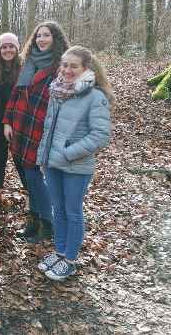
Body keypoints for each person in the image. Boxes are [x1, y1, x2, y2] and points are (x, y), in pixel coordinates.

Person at [36, 47, 113, 281]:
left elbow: (100, 135)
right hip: (52, 163)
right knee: (57, 209)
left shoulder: (95, 96)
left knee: (72, 211)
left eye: (74, 66)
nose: (68, 70)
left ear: (85, 69)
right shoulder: (56, 90)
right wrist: (45, 156)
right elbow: (48, 128)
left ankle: (70, 259)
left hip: (75, 166)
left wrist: (68, 153)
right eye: (65, 65)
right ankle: (59, 252)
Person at [3, 21, 69, 243]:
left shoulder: (61, 66)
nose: (41, 39)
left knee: (33, 175)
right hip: (20, 125)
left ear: (55, 39)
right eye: (38, 35)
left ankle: (46, 222)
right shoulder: (29, 63)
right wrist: (7, 121)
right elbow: (15, 94)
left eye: (46, 35)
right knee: (25, 174)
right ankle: (32, 219)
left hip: (41, 127)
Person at [0, 33, 27, 202]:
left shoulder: (25, 68)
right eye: (4, 47)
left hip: (20, 121)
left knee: (22, 160)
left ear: (17, 48)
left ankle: (30, 195)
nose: (8, 50)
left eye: (11, 46)